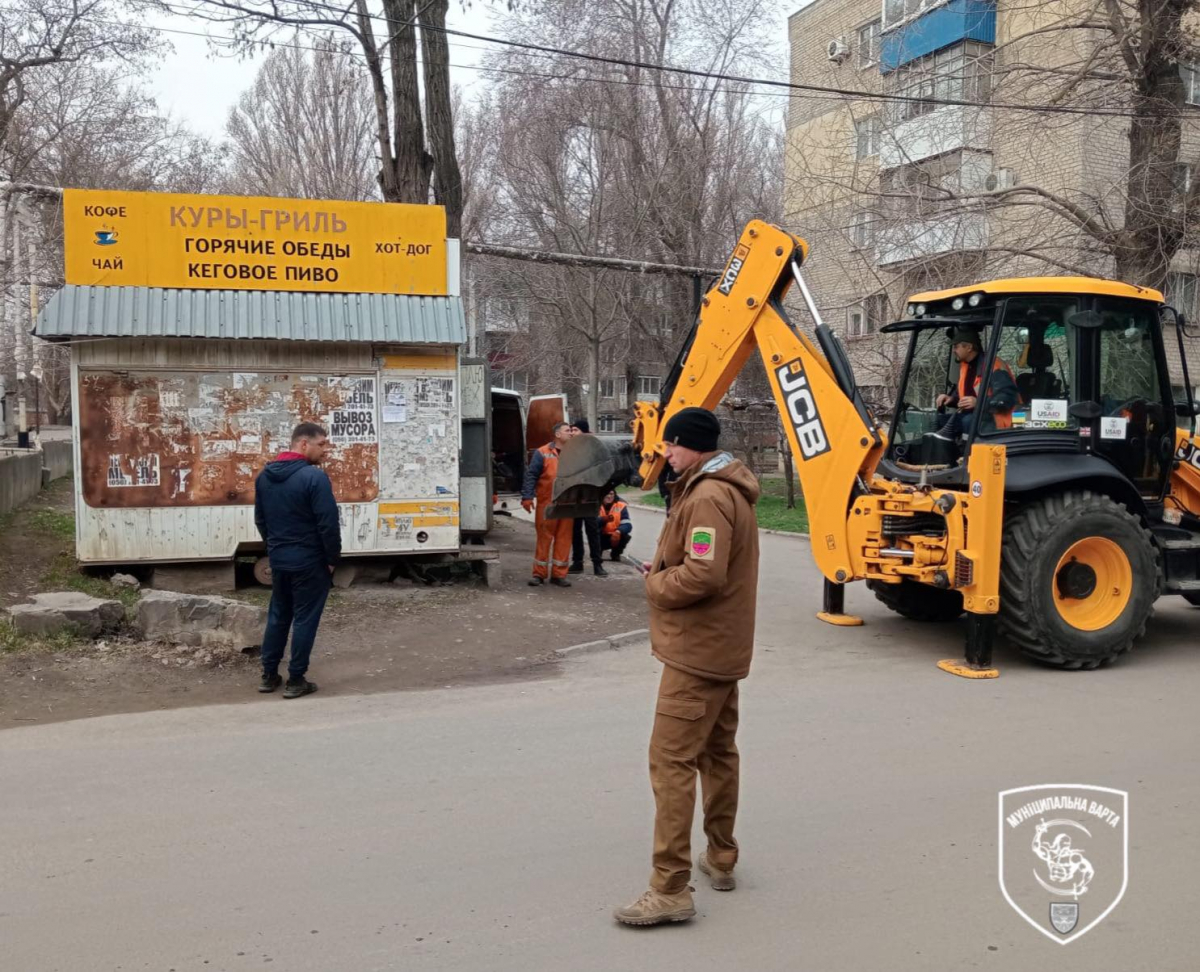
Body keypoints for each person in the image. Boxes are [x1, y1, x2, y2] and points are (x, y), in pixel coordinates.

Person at [614, 407, 761, 927]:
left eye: (669, 447)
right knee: (718, 753)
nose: (665, 456)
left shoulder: (708, 494)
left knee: (671, 763)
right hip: (721, 650)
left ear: (689, 445)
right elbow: (705, 565)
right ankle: (721, 857)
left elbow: (703, 575)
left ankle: (670, 887)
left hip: (697, 655)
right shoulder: (722, 488)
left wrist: (656, 584)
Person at [253, 422, 341, 699]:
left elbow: (261, 519)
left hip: (279, 560)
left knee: (278, 616)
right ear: (303, 444)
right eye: (322, 444)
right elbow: (328, 524)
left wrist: (275, 548)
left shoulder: (264, 477)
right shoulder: (314, 478)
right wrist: (331, 559)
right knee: (305, 619)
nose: (325, 450)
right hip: (310, 562)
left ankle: (269, 675)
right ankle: (296, 679)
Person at [931, 327, 1017, 439]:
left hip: (996, 419)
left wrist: (979, 403)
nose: (953, 350)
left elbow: (1007, 399)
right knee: (938, 420)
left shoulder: (993, 365)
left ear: (969, 347)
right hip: (974, 417)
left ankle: (967, 453)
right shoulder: (965, 366)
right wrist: (951, 399)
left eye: (956, 346)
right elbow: (963, 396)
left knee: (968, 421)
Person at [522, 421, 575, 588]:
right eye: (567, 431)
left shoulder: (575, 453)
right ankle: (539, 574)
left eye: (571, 431)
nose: (571, 433)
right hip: (547, 504)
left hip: (568, 504)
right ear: (558, 434)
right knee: (544, 539)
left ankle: (559, 575)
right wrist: (527, 497)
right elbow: (531, 476)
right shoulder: (543, 452)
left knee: (564, 540)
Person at [568, 419, 606, 576]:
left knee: (592, 530)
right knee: (575, 531)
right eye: (570, 430)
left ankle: (597, 564)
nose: (572, 433)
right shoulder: (570, 449)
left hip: (589, 496)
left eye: (575, 430)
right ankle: (577, 563)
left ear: (583, 432)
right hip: (574, 497)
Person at [597, 489, 632, 561]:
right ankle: (597, 553)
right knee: (594, 532)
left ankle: (616, 554)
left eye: (611, 494)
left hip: (614, 536)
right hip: (600, 535)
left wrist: (618, 532)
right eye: (606, 494)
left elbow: (627, 524)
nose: (609, 496)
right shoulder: (595, 504)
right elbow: (592, 523)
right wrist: (603, 520)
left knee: (625, 536)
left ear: (614, 495)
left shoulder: (620, 506)